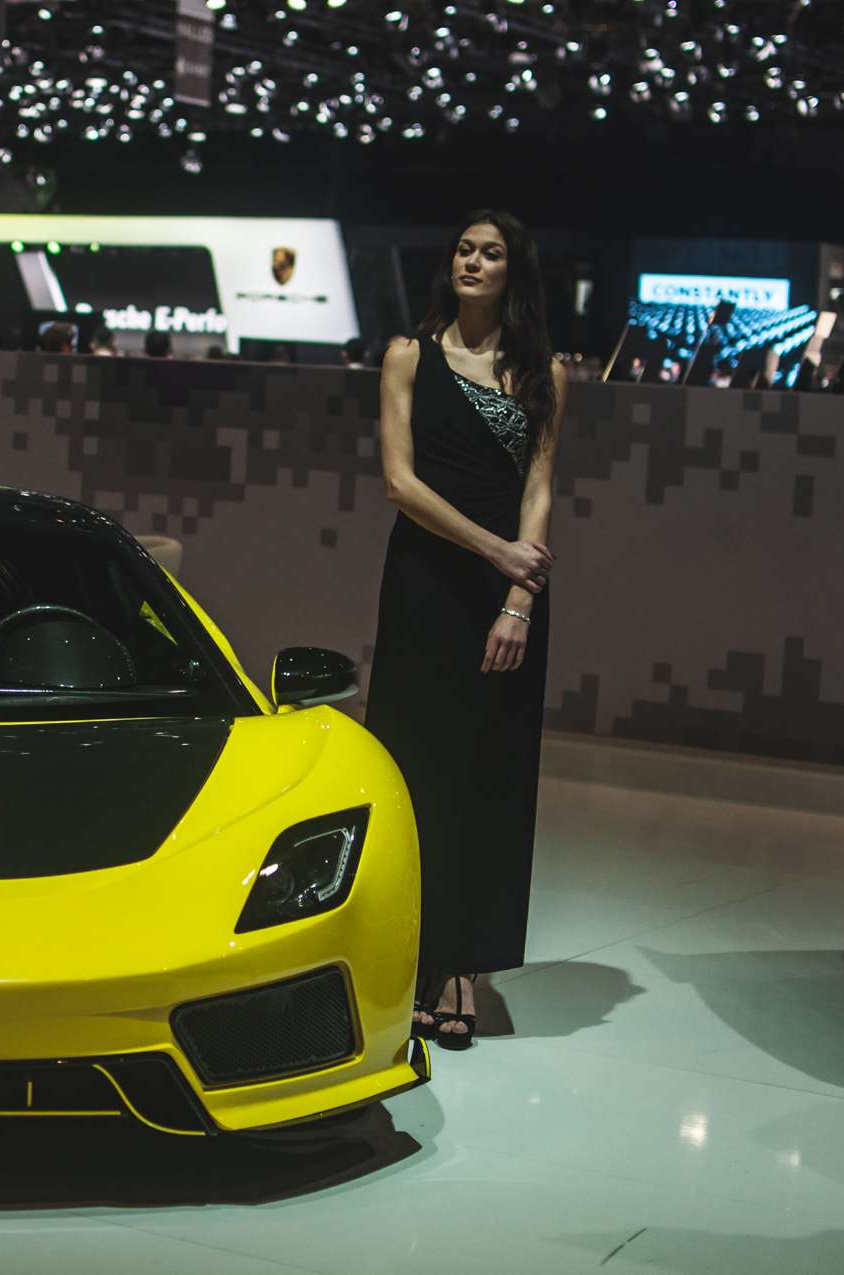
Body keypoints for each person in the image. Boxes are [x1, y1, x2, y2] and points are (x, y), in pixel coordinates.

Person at [366, 209, 566, 1049]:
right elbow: (400, 484)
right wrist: (497, 550)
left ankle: (461, 966)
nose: (472, 262)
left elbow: (540, 487)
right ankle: (413, 952)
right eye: (463, 249)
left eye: (490, 253)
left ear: (514, 271)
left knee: (489, 772)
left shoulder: (543, 372)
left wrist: (519, 598)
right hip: (425, 583)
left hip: (506, 597)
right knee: (417, 769)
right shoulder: (408, 356)